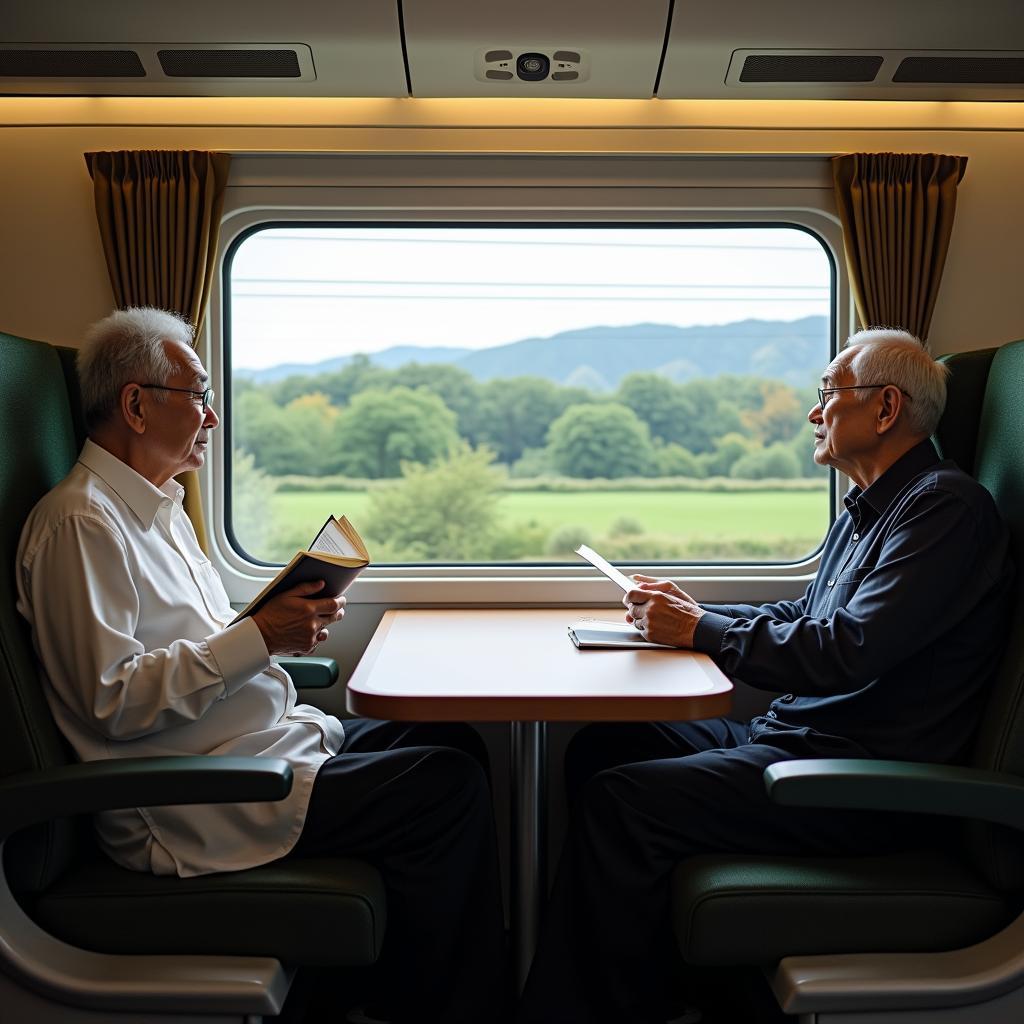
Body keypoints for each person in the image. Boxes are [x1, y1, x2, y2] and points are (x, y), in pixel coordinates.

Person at [16, 307, 505, 1024]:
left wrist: (275, 629)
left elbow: (193, 647)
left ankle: (391, 994)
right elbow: (109, 702)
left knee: (455, 741)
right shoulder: (81, 526)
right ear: (136, 405)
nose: (212, 419)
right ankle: (443, 1010)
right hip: (190, 798)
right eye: (199, 397)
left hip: (251, 746)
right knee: (446, 786)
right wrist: (257, 639)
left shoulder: (162, 512)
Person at [517, 328, 1014, 1024]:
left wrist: (699, 633)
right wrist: (693, 612)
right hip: (800, 737)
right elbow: (808, 612)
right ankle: (655, 989)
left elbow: (845, 647)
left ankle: (582, 1012)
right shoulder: (871, 508)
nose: (815, 413)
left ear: (885, 408)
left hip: (858, 775)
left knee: (622, 801)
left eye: (828, 394)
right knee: (607, 745)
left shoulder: (943, 509)